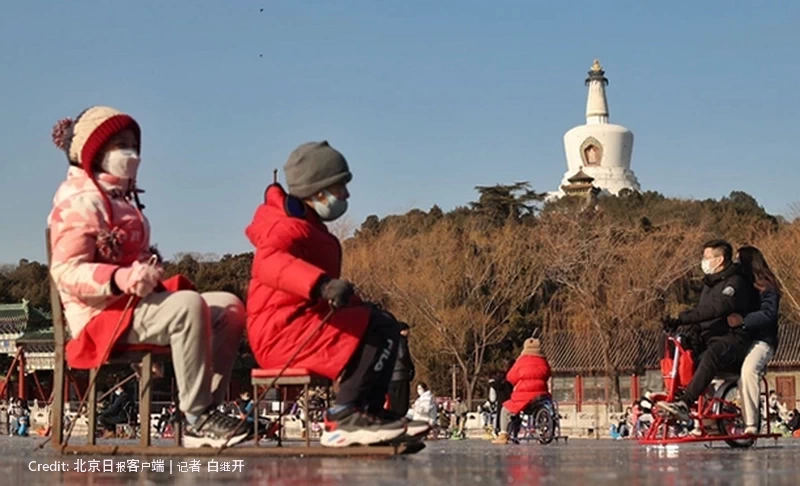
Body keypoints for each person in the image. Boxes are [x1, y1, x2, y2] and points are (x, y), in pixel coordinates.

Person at [48, 106, 248, 448]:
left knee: (229, 306)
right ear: (94, 150)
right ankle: (197, 416)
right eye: (121, 144)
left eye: (134, 145)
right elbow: (65, 271)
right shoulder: (79, 201)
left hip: (132, 305)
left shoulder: (121, 197)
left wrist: (145, 271)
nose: (131, 153)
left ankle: (211, 406)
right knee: (186, 305)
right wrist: (120, 279)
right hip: (99, 315)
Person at [245, 141, 429, 447]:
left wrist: (354, 303)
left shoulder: (311, 226)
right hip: (282, 333)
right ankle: (344, 414)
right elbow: (269, 263)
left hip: (301, 323)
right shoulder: (287, 226)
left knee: (383, 323)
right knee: (377, 327)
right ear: (318, 191)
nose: (347, 195)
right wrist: (321, 284)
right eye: (341, 187)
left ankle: (365, 411)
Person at [658, 240, 757, 422]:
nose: (703, 261)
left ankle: (685, 403)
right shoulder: (709, 284)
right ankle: (671, 390)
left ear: (719, 260)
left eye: (706, 257)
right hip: (708, 338)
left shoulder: (735, 283)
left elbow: (716, 309)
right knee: (670, 341)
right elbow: (700, 314)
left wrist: (682, 318)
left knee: (711, 354)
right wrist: (679, 327)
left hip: (732, 341)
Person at [726, 246, 780, 435]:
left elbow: (769, 314)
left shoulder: (767, 286)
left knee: (748, 371)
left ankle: (750, 423)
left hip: (762, 341)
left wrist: (743, 320)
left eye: (740, 260)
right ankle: (711, 420)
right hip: (740, 339)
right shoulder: (739, 286)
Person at [493, 338, 552, 445]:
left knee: (505, 409)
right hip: (541, 395)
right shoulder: (544, 361)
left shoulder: (521, 361)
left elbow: (511, 377)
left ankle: (503, 435)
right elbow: (548, 374)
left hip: (524, 396)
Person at [388, 322, 415, 418]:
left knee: (394, 403)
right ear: (403, 330)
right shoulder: (401, 340)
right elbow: (402, 355)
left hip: (391, 377)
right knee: (402, 403)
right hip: (401, 374)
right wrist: (410, 367)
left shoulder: (389, 341)